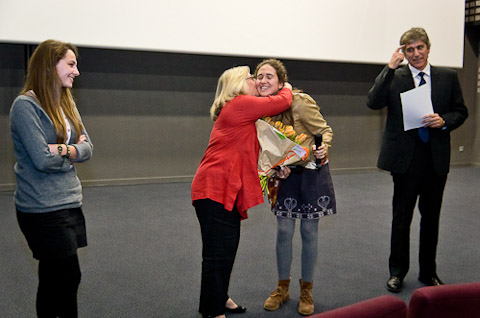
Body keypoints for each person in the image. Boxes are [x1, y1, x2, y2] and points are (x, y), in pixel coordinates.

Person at [367, 27, 468, 293]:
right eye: (409, 49)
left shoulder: (447, 76)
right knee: (401, 217)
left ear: (428, 48)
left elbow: (461, 111)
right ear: (403, 52)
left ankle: (428, 272)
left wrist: (444, 120)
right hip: (405, 159)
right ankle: (397, 272)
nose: (415, 54)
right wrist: (389, 68)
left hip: (435, 157)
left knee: (431, 218)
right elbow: (373, 101)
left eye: (419, 47)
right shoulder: (395, 76)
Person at [191, 65, 293, 318]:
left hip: (224, 191)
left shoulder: (240, 110)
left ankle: (219, 297)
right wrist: (287, 85)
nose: (256, 82)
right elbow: (282, 101)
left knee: (226, 249)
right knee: (216, 254)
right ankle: (212, 310)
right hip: (214, 190)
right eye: (251, 78)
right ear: (238, 85)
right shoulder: (240, 104)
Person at [9, 39, 93, 317]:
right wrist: (73, 151)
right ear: (49, 66)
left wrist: (62, 149)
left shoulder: (66, 102)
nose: (76, 71)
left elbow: (88, 148)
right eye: (70, 64)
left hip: (69, 202)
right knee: (67, 276)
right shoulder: (25, 106)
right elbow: (41, 160)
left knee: (57, 278)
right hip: (41, 208)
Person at [254, 59, 335, 316]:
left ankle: (307, 290)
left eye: (269, 76)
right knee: (283, 231)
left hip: (310, 172)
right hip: (284, 176)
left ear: (281, 81)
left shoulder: (300, 101)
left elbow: (324, 130)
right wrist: (275, 166)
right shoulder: (260, 107)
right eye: (259, 76)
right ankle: (282, 287)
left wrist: (323, 148)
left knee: (309, 232)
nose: (263, 81)